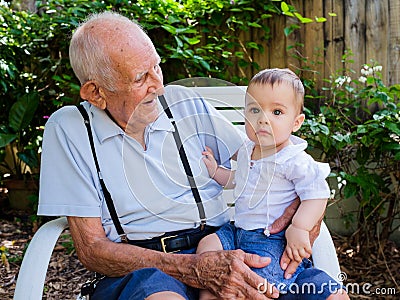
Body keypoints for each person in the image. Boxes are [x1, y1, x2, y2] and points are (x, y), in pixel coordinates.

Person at [37, 11, 318, 300]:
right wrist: (192, 267)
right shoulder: (71, 129)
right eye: (139, 78)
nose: (158, 86)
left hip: (231, 246)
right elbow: (92, 248)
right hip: (146, 269)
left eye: (156, 68)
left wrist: (304, 209)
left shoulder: (182, 101)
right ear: (96, 93)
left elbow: (268, 159)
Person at [198, 68, 349, 299]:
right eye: (255, 110)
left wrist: (299, 227)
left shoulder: (294, 160)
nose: (263, 119)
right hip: (236, 232)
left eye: (276, 112)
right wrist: (215, 171)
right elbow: (238, 181)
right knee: (207, 247)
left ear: (296, 122)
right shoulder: (249, 150)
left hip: (270, 239)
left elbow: (317, 194)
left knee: (260, 279)